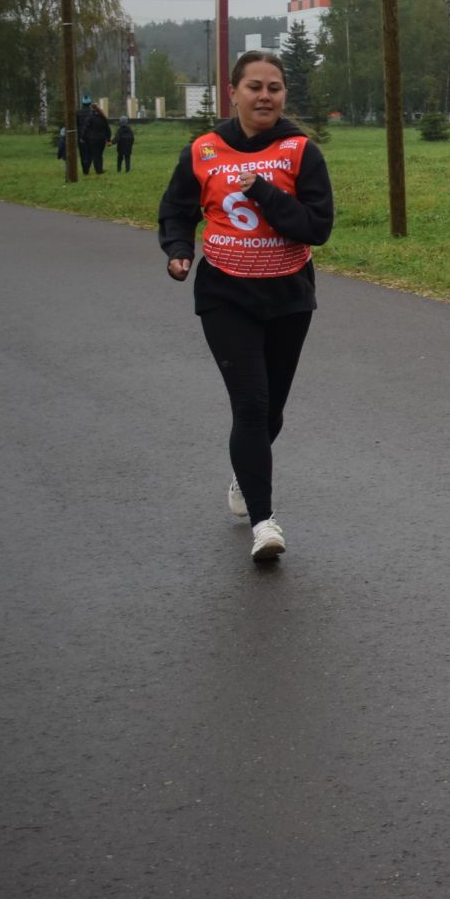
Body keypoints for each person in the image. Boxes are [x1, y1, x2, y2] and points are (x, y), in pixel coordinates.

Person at [158, 49, 335, 562]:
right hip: (224, 294)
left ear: (283, 95)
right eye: (254, 86)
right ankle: (264, 522)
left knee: (271, 410)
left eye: (274, 88)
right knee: (251, 406)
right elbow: (176, 211)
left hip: (287, 295)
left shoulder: (301, 151)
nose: (265, 96)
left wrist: (261, 191)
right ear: (232, 92)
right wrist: (179, 250)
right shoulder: (203, 151)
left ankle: (244, 474)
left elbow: (316, 228)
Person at [79, 103, 111, 175]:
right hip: (102, 139)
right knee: (100, 154)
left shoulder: (90, 118)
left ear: (92, 110)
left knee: (95, 155)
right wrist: (108, 139)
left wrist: (82, 137)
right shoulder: (103, 118)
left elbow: (86, 129)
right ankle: (100, 169)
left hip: (93, 139)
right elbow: (107, 129)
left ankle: (98, 170)